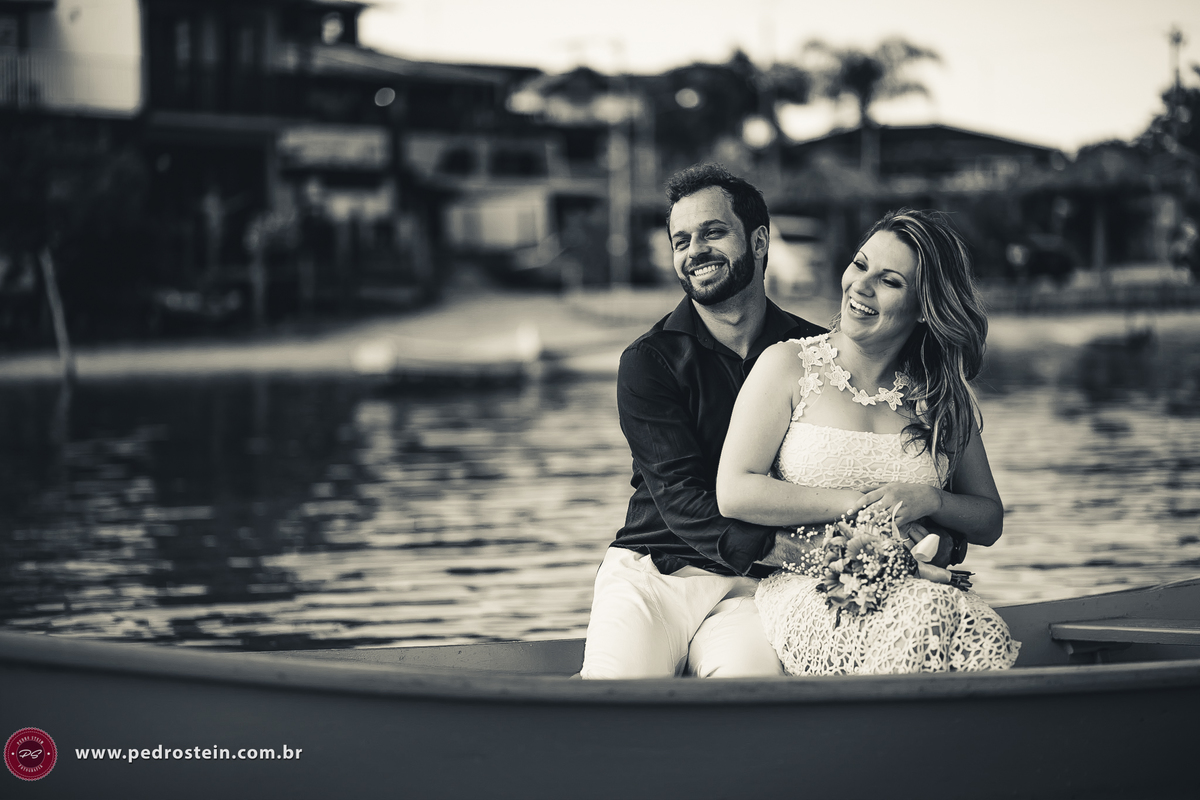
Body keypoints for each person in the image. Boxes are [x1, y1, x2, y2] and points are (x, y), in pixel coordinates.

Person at [716, 208, 1019, 675]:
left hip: (920, 584)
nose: (862, 285)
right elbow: (735, 491)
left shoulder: (940, 396)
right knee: (928, 614)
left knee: (985, 635)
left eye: (890, 281)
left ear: (924, 307)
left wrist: (929, 499)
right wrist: (862, 506)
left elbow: (988, 520)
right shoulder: (788, 365)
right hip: (811, 588)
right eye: (860, 265)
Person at [579, 164, 828, 679]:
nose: (694, 251)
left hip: (755, 585)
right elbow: (679, 498)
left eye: (713, 232)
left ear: (758, 242)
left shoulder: (817, 355)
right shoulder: (649, 361)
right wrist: (802, 553)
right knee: (615, 693)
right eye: (681, 240)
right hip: (654, 571)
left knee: (748, 690)